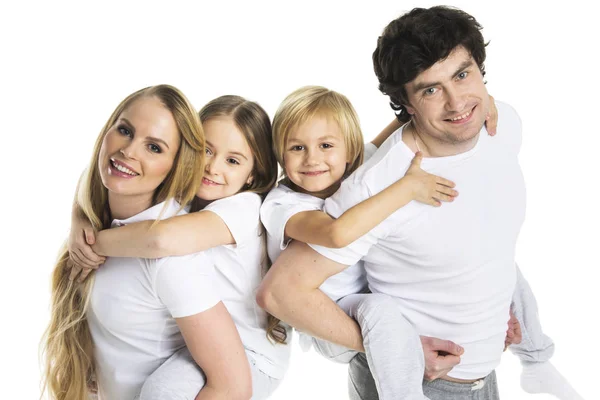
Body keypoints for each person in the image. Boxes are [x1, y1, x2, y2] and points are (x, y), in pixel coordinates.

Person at [258, 7, 582, 400]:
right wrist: (402, 352)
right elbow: (281, 294)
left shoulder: (502, 124)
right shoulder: (376, 186)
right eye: (430, 90)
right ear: (406, 104)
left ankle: (538, 361)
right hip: (418, 384)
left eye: (463, 75)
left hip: (485, 378)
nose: (457, 101)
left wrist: (495, 313)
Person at [66, 95, 290, 399]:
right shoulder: (187, 196)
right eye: (205, 151)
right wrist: (79, 218)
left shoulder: (245, 207)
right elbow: (105, 173)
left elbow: (161, 240)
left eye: (232, 160)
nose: (212, 167)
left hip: (252, 354)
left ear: (253, 174)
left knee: (162, 392)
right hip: (205, 340)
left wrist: (93, 244)